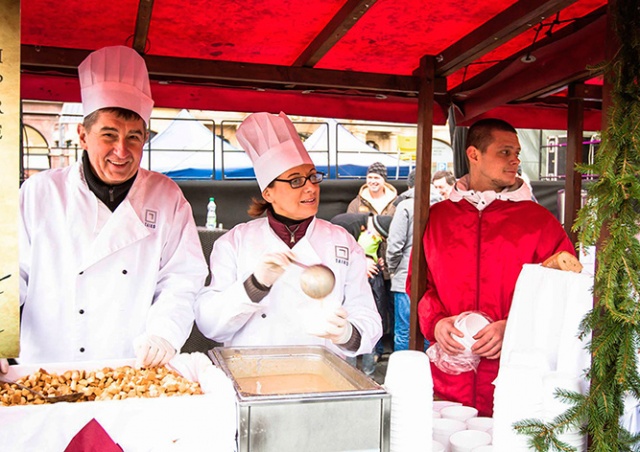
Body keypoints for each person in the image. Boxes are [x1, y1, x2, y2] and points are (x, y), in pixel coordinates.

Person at [1, 46, 208, 374]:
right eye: (108, 135)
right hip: (45, 369)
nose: (121, 150)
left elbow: (181, 278)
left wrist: (164, 332)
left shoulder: (166, 197)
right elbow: (9, 275)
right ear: (83, 135)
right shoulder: (40, 193)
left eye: (134, 138)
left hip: (133, 368)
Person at [410, 118, 575, 416]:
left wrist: (512, 327)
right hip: (449, 379)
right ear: (474, 154)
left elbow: (562, 293)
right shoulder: (437, 217)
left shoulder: (540, 222)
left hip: (515, 380)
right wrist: (436, 322)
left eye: (516, 153)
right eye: (504, 152)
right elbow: (420, 284)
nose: (515, 160)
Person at [194, 112, 382, 358]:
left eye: (313, 177)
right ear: (268, 193)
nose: (310, 187)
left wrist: (347, 333)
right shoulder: (234, 242)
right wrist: (255, 284)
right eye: (295, 181)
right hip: (251, 374)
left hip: (321, 377)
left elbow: (368, 317)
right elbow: (209, 325)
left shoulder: (342, 242)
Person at [330, 212, 392, 375]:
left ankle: (360, 373)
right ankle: (357, 373)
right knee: (346, 328)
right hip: (342, 291)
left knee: (361, 326)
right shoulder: (348, 227)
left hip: (362, 291)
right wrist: (363, 261)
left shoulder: (365, 233)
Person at [386, 170, 440, 352]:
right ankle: (428, 374)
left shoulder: (405, 206)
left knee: (404, 332)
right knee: (429, 331)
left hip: (405, 280)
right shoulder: (443, 206)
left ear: (409, 187)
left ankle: (404, 377)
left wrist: (393, 268)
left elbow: (394, 245)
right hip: (436, 280)